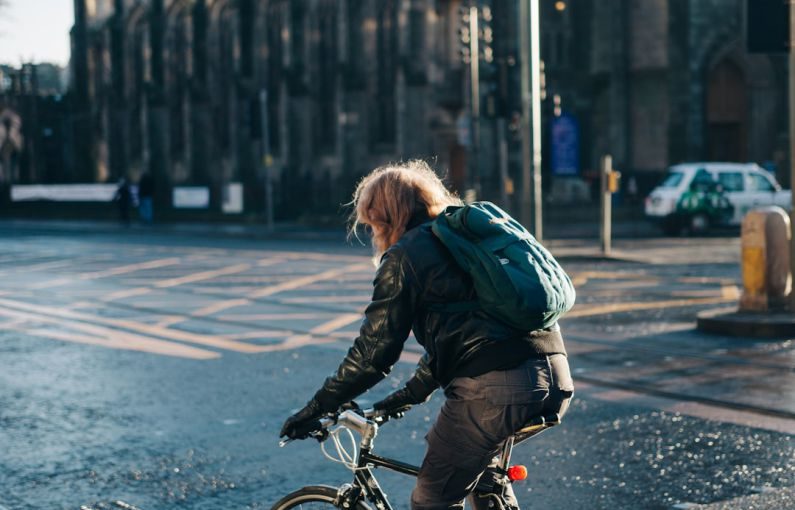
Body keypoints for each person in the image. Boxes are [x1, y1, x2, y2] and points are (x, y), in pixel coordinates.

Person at [280, 160, 574, 510]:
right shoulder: (459, 241)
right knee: (483, 484)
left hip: (497, 389)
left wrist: (315, 407)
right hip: (554, 374)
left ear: (384, 218)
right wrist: (403, 398)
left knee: (432, 498)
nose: (372, 234)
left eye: (372, 224)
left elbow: (373, 353)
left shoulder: (405, 256)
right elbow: (459, 339)